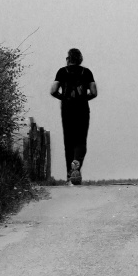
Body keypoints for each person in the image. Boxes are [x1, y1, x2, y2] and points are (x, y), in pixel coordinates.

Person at [50, 47, 98, 184]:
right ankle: (76, 163)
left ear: (68, 59)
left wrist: (64, 98)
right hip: (82, 109)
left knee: (69, 141)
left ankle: (69, 175)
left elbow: (53, 90)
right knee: (81, 140)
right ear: (80, 59)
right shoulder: (86, 72)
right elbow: (94, 92)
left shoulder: (62, 71)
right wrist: (83, 99)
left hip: (67, 109)